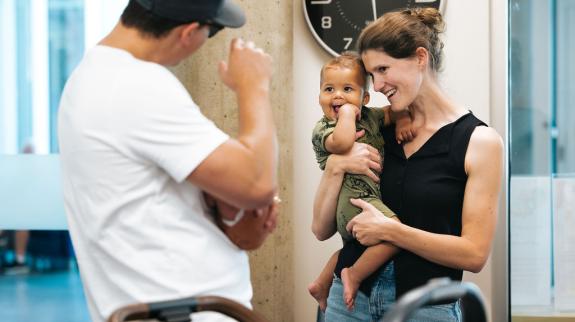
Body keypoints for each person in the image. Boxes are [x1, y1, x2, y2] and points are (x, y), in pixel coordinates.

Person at [57, 1, 279, 322]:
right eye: (210, 32)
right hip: (186, 311)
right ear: (188, 32)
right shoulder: (135, 85)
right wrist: (254, 86)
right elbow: (257, 183)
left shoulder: (92, 78)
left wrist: (227, 210)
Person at [312, 7, 503, 322]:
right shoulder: (374, 129)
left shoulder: (479, 142)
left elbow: (475, 254)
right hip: (347, 303)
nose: (376, 86)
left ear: (420, 58)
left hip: (427, 309)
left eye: (384, 69)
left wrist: (392, 231)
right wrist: (335, 165)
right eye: (372, 74)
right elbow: (321, 230)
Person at [307, 52, 413, 312]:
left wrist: (403, 121)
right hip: (352, 199)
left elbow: (395, 110)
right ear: (319, 95)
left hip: (367, 196)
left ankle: (322, 283)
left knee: (356, 245)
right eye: (329, 89)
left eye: (347, 89)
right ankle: (353, 275)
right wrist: (346, 115)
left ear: (364, 98)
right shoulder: (324, 128)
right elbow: (342, 143)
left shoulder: (370, 116)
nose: (338, 96)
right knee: (393, 232)